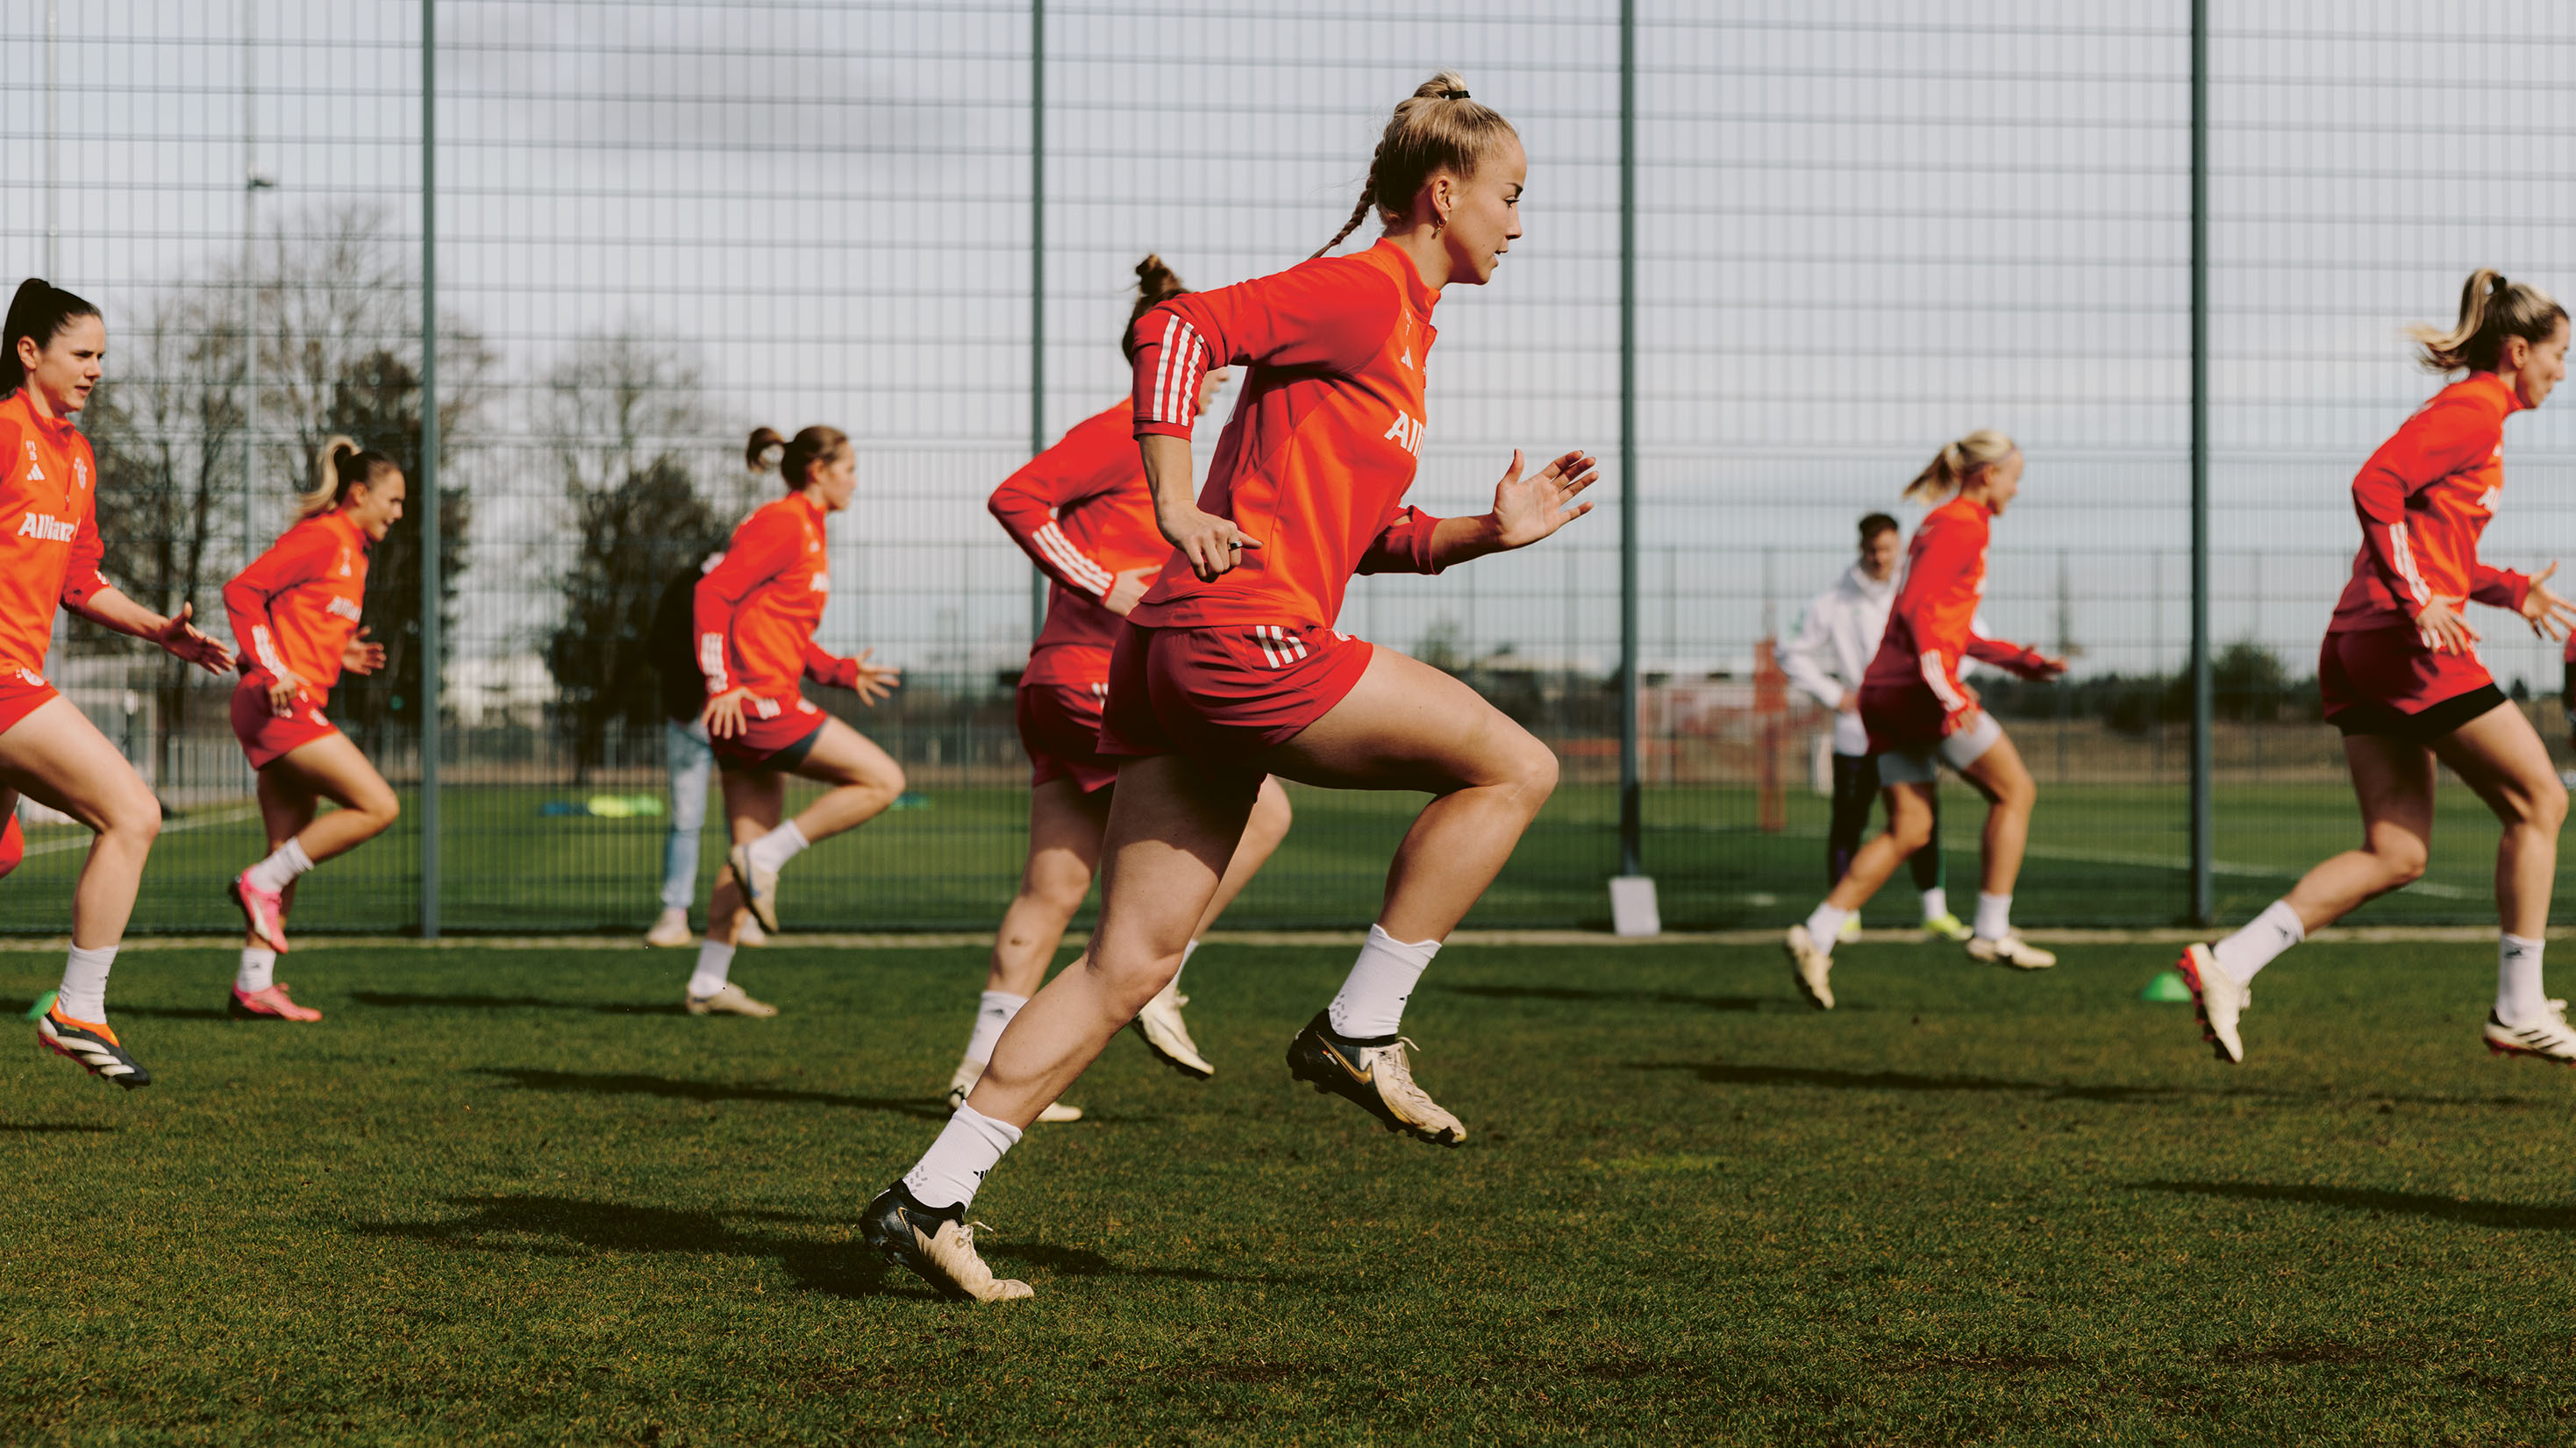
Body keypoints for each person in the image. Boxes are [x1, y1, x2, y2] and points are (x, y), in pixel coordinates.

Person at [863, 73, 1598, 1301]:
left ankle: (927, 1196)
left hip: (1171, 649)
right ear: (1444, 191)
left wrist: (1486, 528)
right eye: (1512, 198)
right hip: (1236, 637)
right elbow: (1179, 329)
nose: (1521, 225)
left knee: (1128, 966)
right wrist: (1167, 500)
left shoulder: (1407, 335)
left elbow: (1362, 534)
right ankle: (1360, 1024)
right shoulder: (1368, 293)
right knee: (1518, 762)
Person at [2178, 271, 2576, 1065]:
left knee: (2396, 851)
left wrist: (2503, 590)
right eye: (2559, 355)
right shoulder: (2474, 409)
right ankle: (2518, 1005)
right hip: (2402, 644)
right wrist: (2415, 600)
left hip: (2359, 643)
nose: (2561, 373)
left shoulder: (2474, 418)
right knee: (2539, 801)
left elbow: (2436, 547)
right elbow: (2375, 485)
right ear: (2519, 349)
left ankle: (2228, 964)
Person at [956, 254, 1299, 1123]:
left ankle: (976, 1068)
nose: (1223, 364)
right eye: (1213, 346)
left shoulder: (1171, 456)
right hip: (1088, 684)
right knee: (1265, 811)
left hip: (1056, 684)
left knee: (1054, 889)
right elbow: (1016, 497)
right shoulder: (1124, 433)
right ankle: (1163, 967)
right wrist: (1098, 583)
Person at [2, 278, 235, 1085]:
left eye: (103, 355)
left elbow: (79, 580)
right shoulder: (2, 433)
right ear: (30, 352)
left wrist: (161, 632)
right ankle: (78, 1009)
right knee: (133, 811)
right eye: (83, 353)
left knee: (1, 853)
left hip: (20, 673)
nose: (97, 368)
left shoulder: (76, 454)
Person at [1783, 432, 2066, 1009]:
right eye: (2015, 475)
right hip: (1916, 690)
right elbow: (1915, 613)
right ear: (1987, 476)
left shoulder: (1940, 523)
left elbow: (1947, 622)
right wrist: (1945, 689)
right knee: (2014, 791)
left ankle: (1816, 933)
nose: (2018, 486)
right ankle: (1990, 929)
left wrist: (2015, 660)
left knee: (1908, 828)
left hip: (1881, 693)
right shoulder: (1965, 523)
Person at [681, 425, 905, 1016]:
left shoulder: (808, 528)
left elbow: (781, 629)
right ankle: (767, 859)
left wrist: (838, 671)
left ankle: (707, 981)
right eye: (849, 467)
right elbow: (710, 594)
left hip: (753, 700)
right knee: (883, 780)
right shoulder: (784, 521)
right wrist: (722, 683)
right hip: (757, 703)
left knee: (746, 847)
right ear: (818, 471)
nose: (856, 479)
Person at [219, 437, 408, 1015]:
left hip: (286, 701)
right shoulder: (324, 537)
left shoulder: (354, 552)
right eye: (393, 500)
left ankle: (254, 982)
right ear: (359, 493)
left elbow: (301, 616)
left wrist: (338, 653)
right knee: (378, 805)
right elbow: (242, 590)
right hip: (276, 703)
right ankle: (258, 880)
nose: (398, 513)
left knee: (288, 847)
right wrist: (274, 667)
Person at [1780, 512, 1971, 942]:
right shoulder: (1833, 602)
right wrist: (1835, 695)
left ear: (1899, 547)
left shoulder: (1918, 591)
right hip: (1857, 730)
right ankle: (1843, 914)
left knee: (1921, 819)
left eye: (1888, 549)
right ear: (1861, 548)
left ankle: (1934, 910)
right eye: (1873, 550)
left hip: (1908, 729)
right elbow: (1790, 652)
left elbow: (1966, 635)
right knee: (1850, 821)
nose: (1881, 557)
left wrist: (1945, 686)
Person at [643, 553, 764, 951]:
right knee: (686, 820)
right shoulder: (688, 587)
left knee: (744, 824)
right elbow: (660, 646)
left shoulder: (757, 589)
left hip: (742, 721)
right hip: (691, 718)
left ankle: (744, 915)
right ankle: (674, 913)